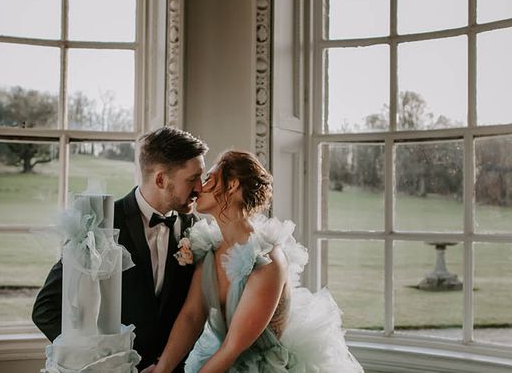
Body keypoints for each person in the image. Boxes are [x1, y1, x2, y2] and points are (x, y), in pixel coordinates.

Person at [144, 150, 362, 373]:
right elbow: (191, 317)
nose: (198, 187)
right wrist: (162, 369)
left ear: (232, 186)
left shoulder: (267, 260)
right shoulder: (209, 252)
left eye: (209, 178)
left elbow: (233, 347)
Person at [32, 126, 208, 372]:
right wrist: (103, 363)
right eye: (192, 179)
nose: (200, 188)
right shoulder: (100, 225)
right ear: (160, 179)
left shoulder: (196, 229)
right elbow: (46, 309)